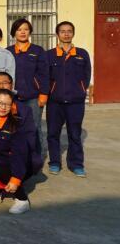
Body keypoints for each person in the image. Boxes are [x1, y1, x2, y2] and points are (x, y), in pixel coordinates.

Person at [46, 21, 91, 177]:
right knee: (53, 134)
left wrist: (80, 89)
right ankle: (54, 163)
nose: (66, 34)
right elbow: (46, 77)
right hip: (55, 102)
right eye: (63, 31)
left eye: (69, 31)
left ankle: (76, 164)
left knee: (75, 134)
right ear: (57, 34)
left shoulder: (82, 54)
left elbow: (87, 75)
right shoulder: (50, 54)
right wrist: (50, 92)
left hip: (75, 102)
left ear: (73, 33)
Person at [7, 18, 49, 157]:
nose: (22, 32)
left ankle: (37, 157)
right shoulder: (8, 52)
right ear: (14, 32)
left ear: (30, 31)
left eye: (26, 29)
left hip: (33, 97)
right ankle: (18, 156)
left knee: (34, 127)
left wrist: (43, 94)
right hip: (13, 97)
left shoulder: (38, 51)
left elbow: (44, 74)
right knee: (14, 127)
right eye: (19, 29)